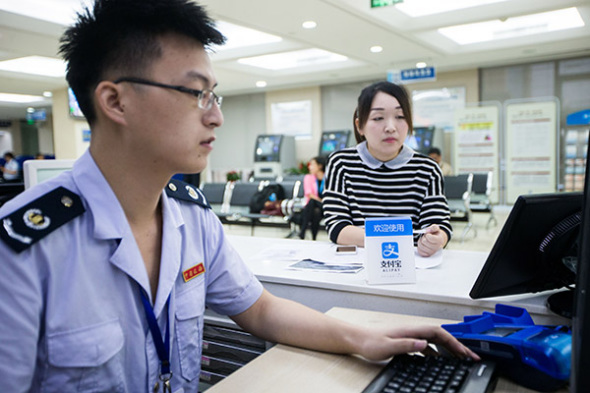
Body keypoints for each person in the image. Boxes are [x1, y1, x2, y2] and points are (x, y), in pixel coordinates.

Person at [0, 2, 476, 391]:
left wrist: (363, 337)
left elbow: (260, 308)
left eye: (215, 96)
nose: (215, 118)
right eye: (195, 93)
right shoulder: (22, 253)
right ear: (115, 101)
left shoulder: (190, 219)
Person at [323, 81, 452, 257]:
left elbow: (439, 225)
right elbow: (336, 227)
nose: (391, 127)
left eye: (400, 116)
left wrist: (437, 239)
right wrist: (399, 237)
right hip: (358, 265)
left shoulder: (427, 169)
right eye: (378, 118)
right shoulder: (341, 163)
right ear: (360, 125)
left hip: (412, 265)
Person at [299, 156, 326, 240]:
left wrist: (321, 201)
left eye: (312, 165)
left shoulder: (329, 177)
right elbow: (309, 193)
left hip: (325, 206)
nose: (309, 167)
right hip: (314, 207)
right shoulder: (309, 177)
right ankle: (313, 238)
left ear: (320, 166)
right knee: (315, 211)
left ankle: (303, 231)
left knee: (313, 203)